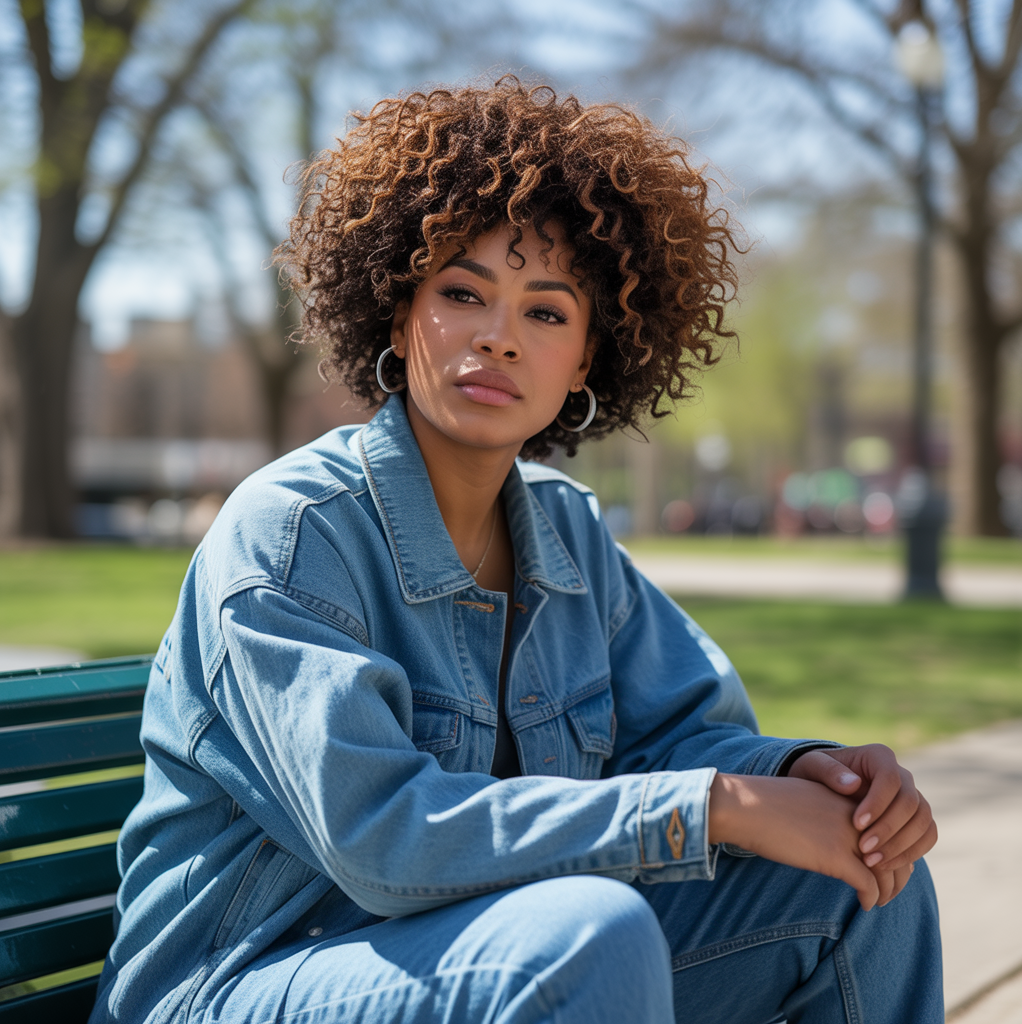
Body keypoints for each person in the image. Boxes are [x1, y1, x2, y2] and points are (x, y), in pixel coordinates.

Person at [89, 78, 941, 1024]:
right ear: (399, 304)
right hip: (242, 981)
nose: (497, 339)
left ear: (585, 359)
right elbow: (385, 840)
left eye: (545, 312)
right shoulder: (292, 534)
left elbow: (683, 733)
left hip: (492, 957)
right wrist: (711, 807)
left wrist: (810, 776)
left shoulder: (566, 531)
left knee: (863, 880)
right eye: (462, 293)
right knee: (584, 937)